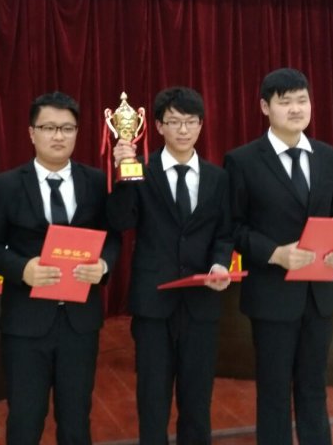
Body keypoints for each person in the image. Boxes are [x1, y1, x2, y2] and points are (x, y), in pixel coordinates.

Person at [0, 92, 120, 445]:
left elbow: (112, 236)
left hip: (79, 323)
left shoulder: (95, 181)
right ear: (31, 133)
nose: (58, 136)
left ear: (77, 132)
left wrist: (103, 265)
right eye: (49, 127)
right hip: (26, 323)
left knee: (76, 418)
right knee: (26, 418)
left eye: (67, 128)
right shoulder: (6, 185)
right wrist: (21, 269)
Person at [223, 67, 333, 445]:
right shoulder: (243, 160)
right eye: (285, 102)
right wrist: (275, 253)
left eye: (302, 100)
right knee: (274, 392)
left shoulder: (326, 155)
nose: (296, 109)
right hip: (272, 295)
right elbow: (233, 228)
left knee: (314, 388)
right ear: (265, 107)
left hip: (318, 294)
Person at [108, 86, 234, 445]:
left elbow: (224, 234)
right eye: (174, 121)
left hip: (201, 302)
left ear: (201, 125)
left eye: (190, 121)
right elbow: (121, 221)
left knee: (197, 399)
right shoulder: (141, 170)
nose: (183, 129)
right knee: (153, 398)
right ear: (159, 126)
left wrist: (219, 264)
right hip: (153, 303)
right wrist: (122, 173)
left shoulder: (217, 177)